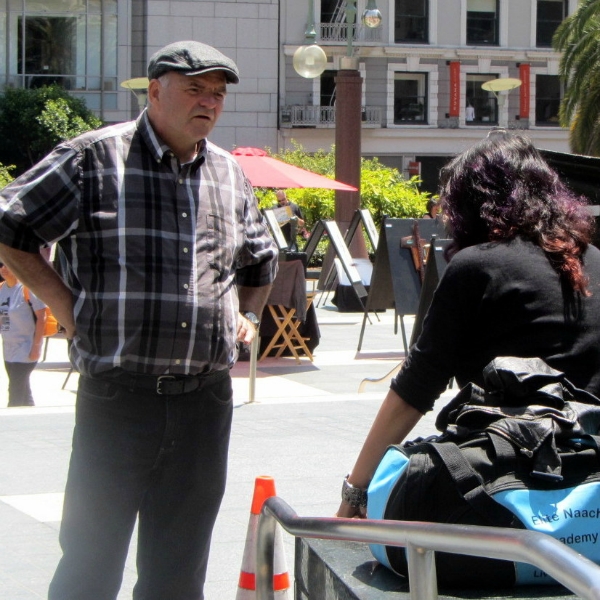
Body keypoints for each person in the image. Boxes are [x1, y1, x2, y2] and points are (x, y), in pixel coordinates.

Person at [0, 40, 278, 600]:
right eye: (195, 89)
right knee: (90, 565)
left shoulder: (228, 173)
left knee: (179, 570)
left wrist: (245, 316)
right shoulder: (92, 158)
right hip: (117, 400)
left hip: (204, 402)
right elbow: (12, 227)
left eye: (217, 94)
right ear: (154, 91)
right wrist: (65, 308)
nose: (209, 103)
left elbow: (262, 257)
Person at [337, 130, 600, 517]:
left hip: (508, 491)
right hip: (589, 483)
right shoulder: (593, 258)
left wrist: (355, 492)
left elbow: (415, 389)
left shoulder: (476, 265)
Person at [0, 262, 47, 406]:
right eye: (2, 265)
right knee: (23, 391)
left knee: (15, 391)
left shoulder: (27, 289)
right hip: (9, 348)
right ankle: (31, 421)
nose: (3, 269)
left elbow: (41, 317)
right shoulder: (2, 289)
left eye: (8, 265)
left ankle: (11, 426)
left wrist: (36, 347)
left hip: (26, 348)